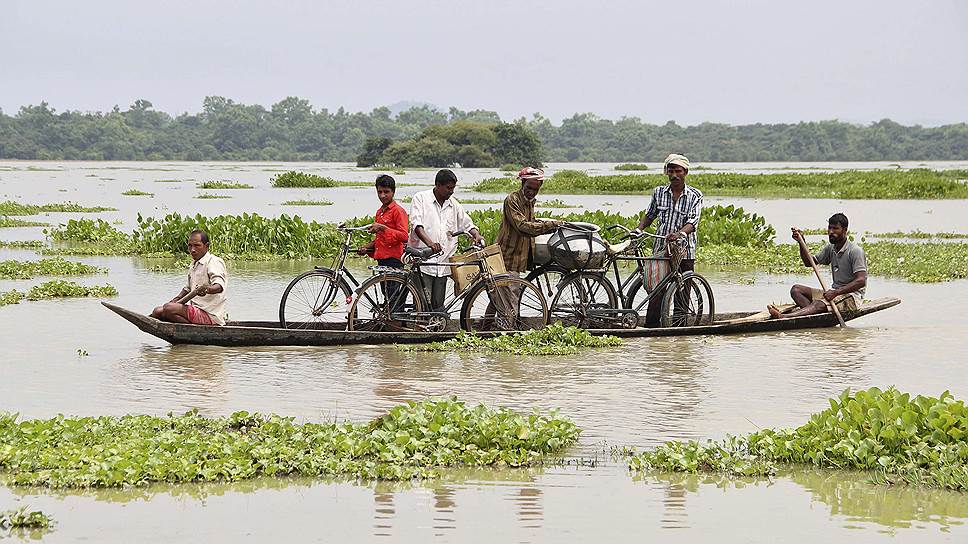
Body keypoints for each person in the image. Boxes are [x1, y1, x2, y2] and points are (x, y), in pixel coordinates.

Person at [636, 153, 703, 326]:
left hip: (684, 251)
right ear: (666, 172)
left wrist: (680, 233)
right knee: (656, 290)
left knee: (682, 293)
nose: (674, 175)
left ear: (685, 172)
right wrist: (639, 229)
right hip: (661, 248)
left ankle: (679, 328)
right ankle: (650, 327)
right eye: (671, 171)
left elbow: (692, 222)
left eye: (678, 171)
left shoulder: (695, 196)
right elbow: (650, 215)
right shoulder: (659, 192)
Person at [408, 169, 485, 310]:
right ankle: (420, 329)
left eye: (453, 188)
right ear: (438, 185)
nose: (451, 192)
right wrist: (430, 244)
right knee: (422, 305)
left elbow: (467, 224)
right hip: (423, 260)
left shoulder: (453, 204)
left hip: (443, 263)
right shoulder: (421, 198)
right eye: (449, 188)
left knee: (438, 305)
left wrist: (476, 235)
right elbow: (417, 226)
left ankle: (435, 329)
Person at [769, 213, 867, 319]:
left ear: (845, 230)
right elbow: (809, 263)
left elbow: (861, 281)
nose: (831, 232)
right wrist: (802, 242)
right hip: (834, 294)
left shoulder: (855, 251)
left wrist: (836, 292)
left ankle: (784, 317)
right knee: (796, 290)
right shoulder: (831, 248)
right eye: (829, 228)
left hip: (852, 297)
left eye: (835, 229)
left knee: (819, 304)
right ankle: (811, 313)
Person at [151, 229, 227, 325]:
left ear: (206, 246)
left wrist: (206, 289)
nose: (192, 250)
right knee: (157, 311)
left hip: (210, 315)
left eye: (197, 246)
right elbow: (188, 288)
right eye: (190, 246)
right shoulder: (194, 264)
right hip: (196, 310)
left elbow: (219, 286)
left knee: (168, 308)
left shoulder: (213, 262)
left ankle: (194, 330)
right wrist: (177, 298)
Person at [495, 167, 563, 275]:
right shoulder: (512, 200)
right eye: (529, 187)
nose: (531, 192)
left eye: (535, 190)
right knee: (508, 289)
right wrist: (550, 225)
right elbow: (523, 226)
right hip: (508, 256)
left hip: (520, 258)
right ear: (523, 183)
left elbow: (532, 222)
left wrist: (551, 226)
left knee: (515, 289)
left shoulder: (530, 202)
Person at [358, 174, 409, 269]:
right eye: (379, 192)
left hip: (394, 260)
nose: (382, 195)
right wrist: (366, 247)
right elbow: (380, 239)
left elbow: (404, 236)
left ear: (393, 192)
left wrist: (383, 228)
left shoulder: (398, 211)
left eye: (386, 192)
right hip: (381, 259)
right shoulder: (379, 212)